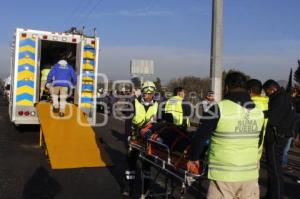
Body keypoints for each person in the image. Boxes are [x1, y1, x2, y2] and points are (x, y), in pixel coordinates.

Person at [187, 72, 265, 199]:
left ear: (227, 88)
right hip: (250, 174)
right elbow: (259, 141)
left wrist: (193, 157)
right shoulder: (258, 113)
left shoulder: (218, 109)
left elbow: (200, 137)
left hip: (224, 176)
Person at [123, 81, 158, 197]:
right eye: (146, 93)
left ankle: (146, 189)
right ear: (142, 93)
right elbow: (128, 120)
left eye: (151, 93)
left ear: (154, 93)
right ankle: (128, 187)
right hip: (135, 135)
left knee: (147, 165)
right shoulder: (134, 102)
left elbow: (158, 122)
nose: (148, 96)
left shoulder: (157, 105)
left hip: (148, 136)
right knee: (131, 162)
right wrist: (128, 135)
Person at [262, 79, 295, 199]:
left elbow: (272, 118)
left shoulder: (279, 99)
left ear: (273, 89)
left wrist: (261, 113)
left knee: (275, 171)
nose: (266, 94)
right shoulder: (285, 97)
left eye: (267, 92)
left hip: (276, 138)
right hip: (282, 136)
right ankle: (271, 194)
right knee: (274, 169)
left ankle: (276, 195)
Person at [247, 79, 269, 161]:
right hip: (258, 149)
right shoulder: (266, 103)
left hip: (248, 150)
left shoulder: (251, 105)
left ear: (250, 91)